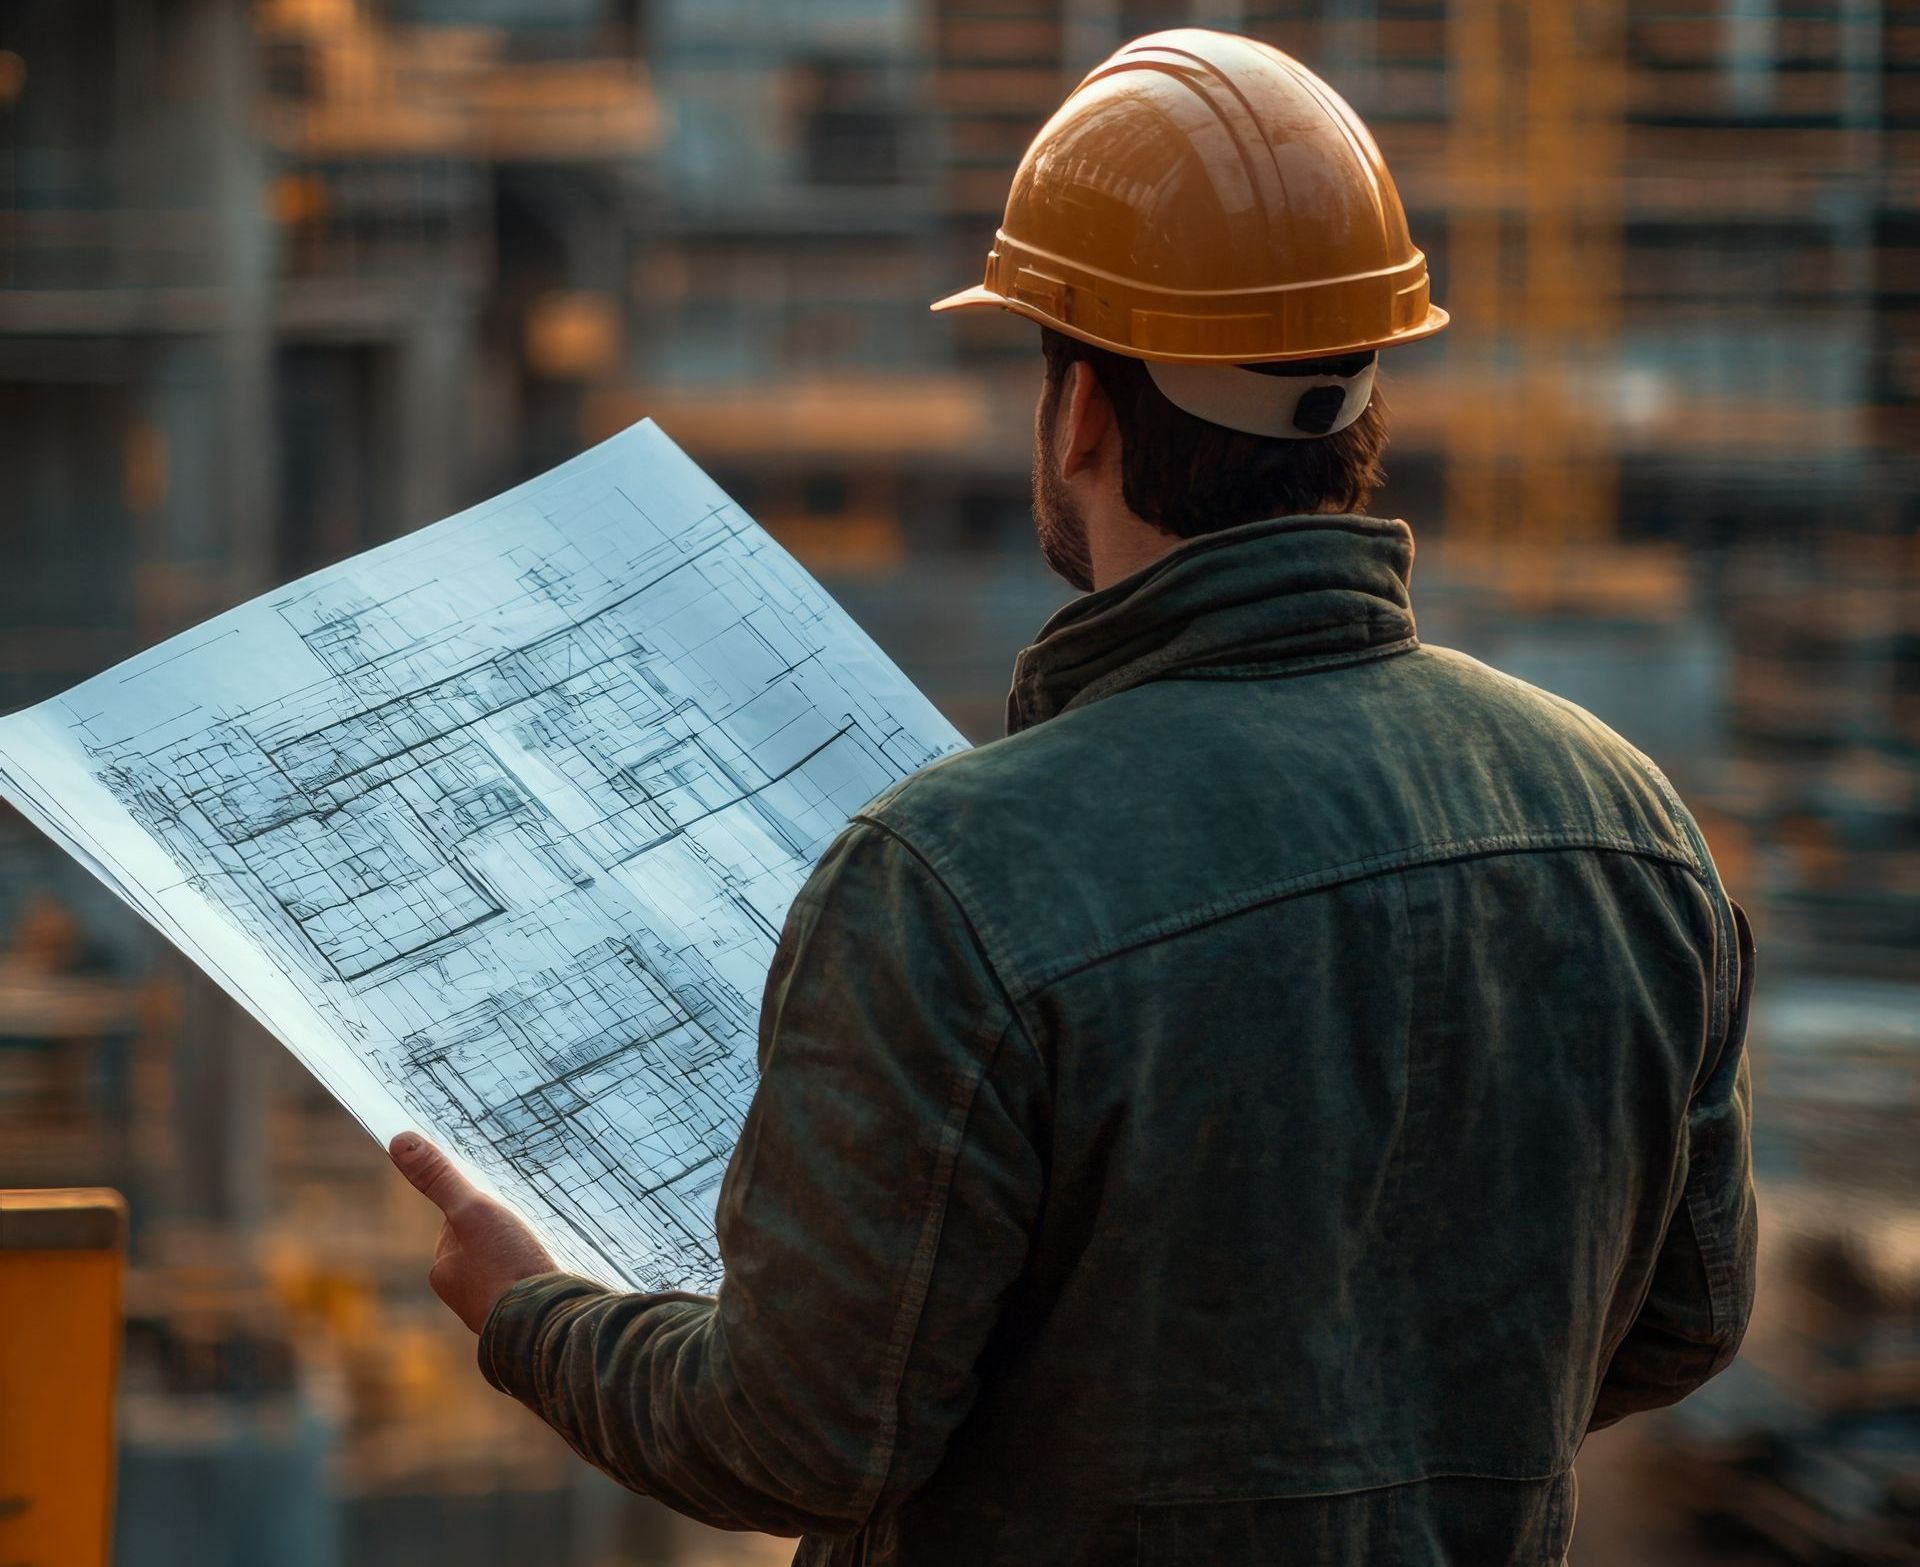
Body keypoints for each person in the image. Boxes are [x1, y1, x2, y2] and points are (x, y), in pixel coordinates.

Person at [391, 30, 1756, 1566]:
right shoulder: (1631, 830)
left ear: (1086, 415)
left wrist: (528, 1315)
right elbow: (1683, 1321)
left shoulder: (951, 878)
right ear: (1364, 397)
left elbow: (791, 1439)